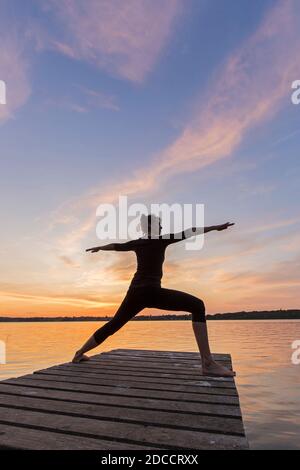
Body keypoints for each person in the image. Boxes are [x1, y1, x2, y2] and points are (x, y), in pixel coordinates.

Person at [72, 214, 235, 377]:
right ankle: (207, 363)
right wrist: (214, 228)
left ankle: (79, 353)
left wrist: (100, 247)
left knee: (114, 324)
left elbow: (117, 246)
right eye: (160, 225)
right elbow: (190, 231)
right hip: (152, 292)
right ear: (151, 227)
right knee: (197, 306)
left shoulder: (138, 243)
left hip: (135, 292)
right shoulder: (161, 240)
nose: (162, 228)